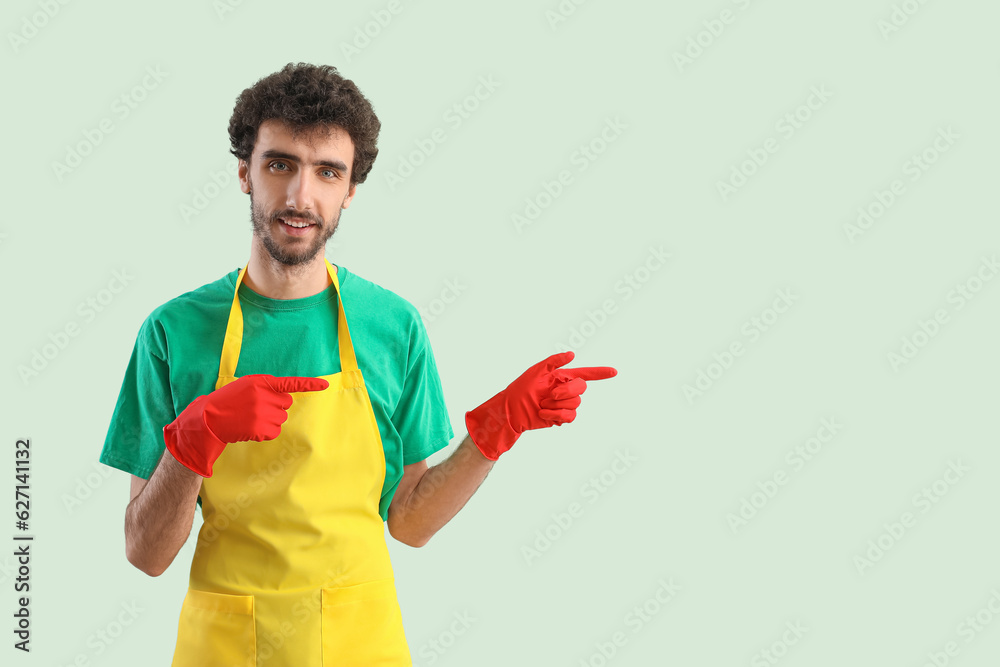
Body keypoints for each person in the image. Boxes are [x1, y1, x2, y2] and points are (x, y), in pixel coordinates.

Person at [98, 61, 617, 666]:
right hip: (227, 647)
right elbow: (147, 554)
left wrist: (494, 433)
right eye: (279, 164)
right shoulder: (172, 331)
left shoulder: (393, 326)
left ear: (350, 190)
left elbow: (410, 523)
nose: (300, 195)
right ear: (245, 172)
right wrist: (193, 440)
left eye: (327, 172)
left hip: (358, 646)